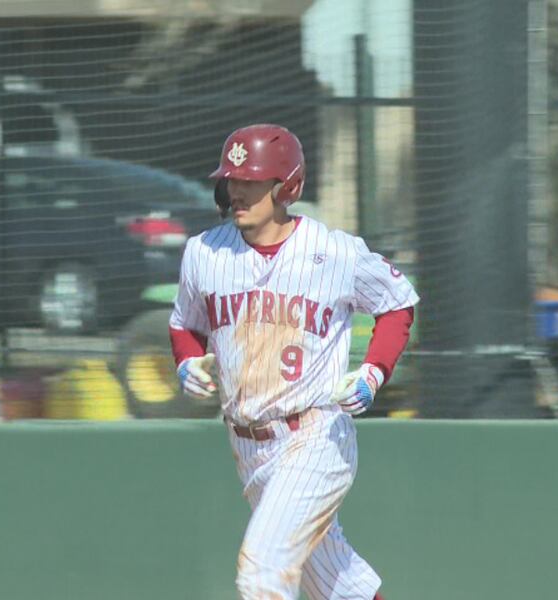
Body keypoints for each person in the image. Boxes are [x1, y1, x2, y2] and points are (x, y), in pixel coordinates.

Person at [169, 124, 417, 600]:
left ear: (288, 187)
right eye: (232, 180)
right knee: (336, 583)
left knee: (262, 572)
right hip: (248, 446)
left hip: (315, 437)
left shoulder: (335, 252)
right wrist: (187, 361)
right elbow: (185, 323)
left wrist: (373, 372)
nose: (237, 191)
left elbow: (397, 302)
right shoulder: (204, 253)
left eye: (253, 181)